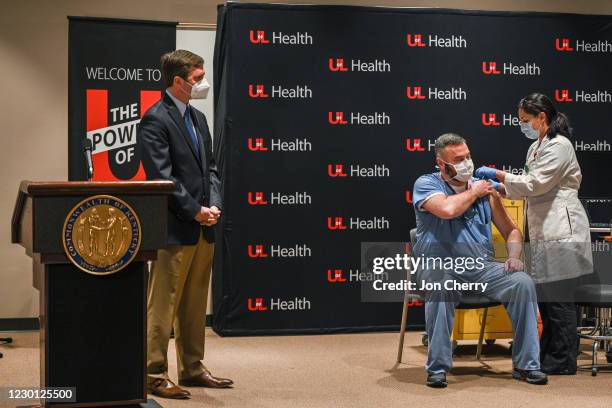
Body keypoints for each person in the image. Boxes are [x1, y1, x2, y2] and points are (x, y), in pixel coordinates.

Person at [413, 133, 547, 388]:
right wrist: (474, 192)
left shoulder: (486, 191)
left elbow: (512, 231)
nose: (467, 163)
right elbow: (448, 210)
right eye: (459, 159)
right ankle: (438, 369)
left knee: (522, 282)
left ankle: (526, 365)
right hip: (440, 267)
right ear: (441, 164)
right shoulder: (427, 184)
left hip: (481, 268)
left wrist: (514, 257)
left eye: (468, 157)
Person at [475, 93, 593, 375]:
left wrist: (500, 175)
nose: (523, 126)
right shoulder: (536, 147)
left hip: (561, 228)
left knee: (559, 299)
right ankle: (546, 354)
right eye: (520, 122)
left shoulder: (560, 145)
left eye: (526, 121)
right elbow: (529, 185)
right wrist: (501, 190)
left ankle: (563, 360)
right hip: (542, 225)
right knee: (545, 297)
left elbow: (537, 183)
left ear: (542, 117)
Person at [139, 49, 233, 399]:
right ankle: (153, 373)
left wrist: (214, 205)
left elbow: (211, 169)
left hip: (204, 225)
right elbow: (162, 178)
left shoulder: (198, 119)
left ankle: (192, 368)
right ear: (177, 81)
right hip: (175, 227)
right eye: (197, 78)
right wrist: (195, 210)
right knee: (163, 305)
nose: (202, 83)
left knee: (194, 304)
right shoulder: (154, 119)